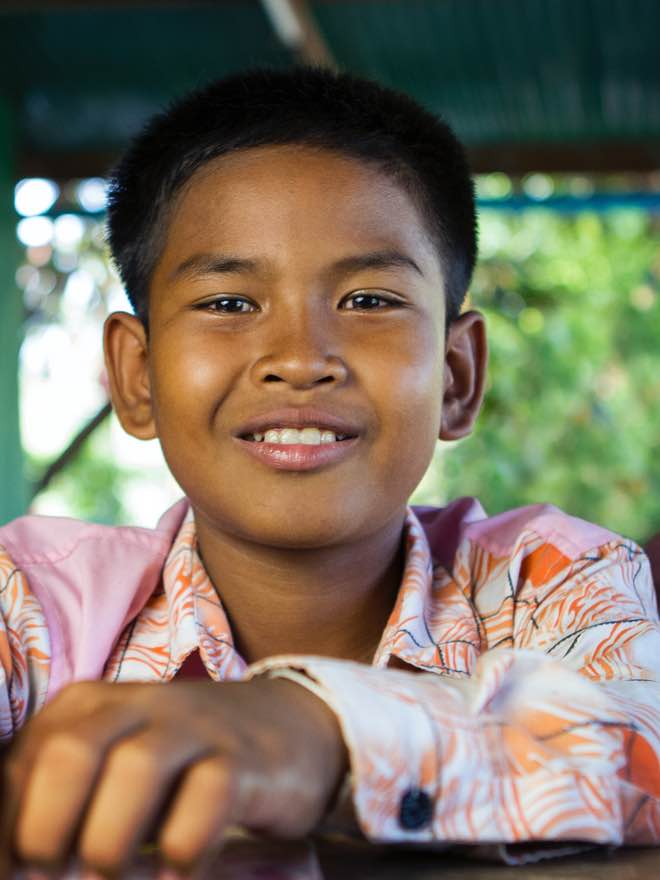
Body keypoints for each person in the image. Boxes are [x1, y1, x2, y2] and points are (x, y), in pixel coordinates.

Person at [0, 67, 658, 878]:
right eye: (229, 304)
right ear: (138, 376)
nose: (301, 359)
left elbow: (635, 747)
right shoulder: (32, 605)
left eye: (369, 300)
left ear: (456, 377)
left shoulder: (553, 580)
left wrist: (321, 734)